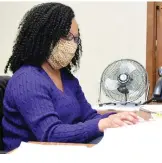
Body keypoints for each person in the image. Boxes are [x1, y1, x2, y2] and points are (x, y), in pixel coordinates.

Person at [2, 2, 139, 152]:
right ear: (44, 36)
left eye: (76, 39)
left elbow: (88, 116)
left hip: (65, 149)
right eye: (67, 36)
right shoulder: (27, 80)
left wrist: (120, 118)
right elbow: (50, 134)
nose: (72, 45)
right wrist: (102, 124)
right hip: (28, 155)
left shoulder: (66, 77)